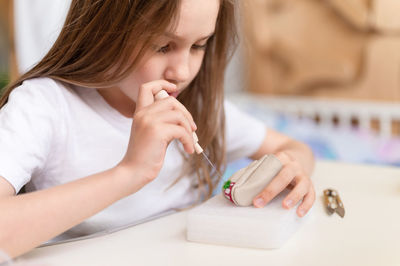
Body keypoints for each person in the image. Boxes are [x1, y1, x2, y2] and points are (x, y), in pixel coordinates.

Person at [0, 0, 315, 258]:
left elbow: (292, 148)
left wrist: (289, 170)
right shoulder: (45, 106)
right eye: (163, 46)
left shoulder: (198, 105)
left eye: (199, 46)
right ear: (102, 32)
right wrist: (130, 173)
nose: (183, 71)